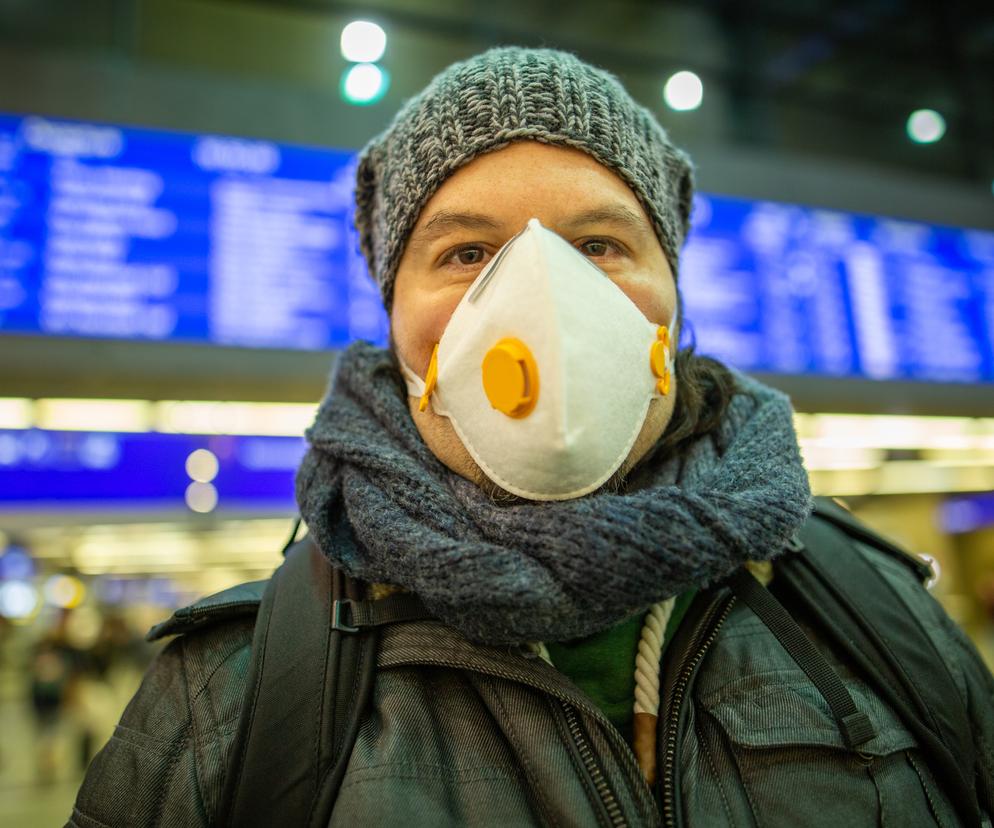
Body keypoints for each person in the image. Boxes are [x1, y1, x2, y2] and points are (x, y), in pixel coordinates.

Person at [67, 47, 994, 827]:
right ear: (396, 320)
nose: (544, 297)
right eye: (466, 252)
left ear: (671, 303)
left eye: (599, 247)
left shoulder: (862, 604)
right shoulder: (236, 691)